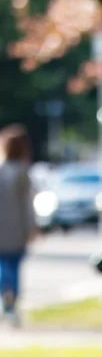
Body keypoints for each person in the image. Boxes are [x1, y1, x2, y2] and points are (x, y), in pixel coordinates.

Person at [0, 125, 36, 327]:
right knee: (12, 266)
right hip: (16, 229)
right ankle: (11, 302)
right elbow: (27, 205)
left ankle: (6, 301)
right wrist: (32, 227)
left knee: (3, 266)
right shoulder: (22, 172)